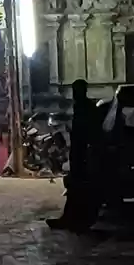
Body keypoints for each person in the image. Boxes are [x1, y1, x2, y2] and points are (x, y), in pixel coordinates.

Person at [46, 78, 102, 231]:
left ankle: (74, 219)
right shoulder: (84, 107)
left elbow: (88, 133)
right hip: (80, 153)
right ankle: (72, 219)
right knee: (76, 188)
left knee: (78, 188)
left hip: (83, 154)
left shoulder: (85, 108)